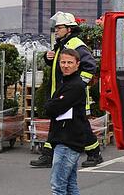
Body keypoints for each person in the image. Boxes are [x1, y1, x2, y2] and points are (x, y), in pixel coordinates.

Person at [28, 48, 88, 195]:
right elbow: (54, 107)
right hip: (70, 139)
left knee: (58, 186)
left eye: (70, 62)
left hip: (67, 141)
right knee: (70, 186)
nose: (66, 65)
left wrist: (51, 105)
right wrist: (53, 105)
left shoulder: (75, 86)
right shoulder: (69, 83)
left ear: (77, 64)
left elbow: (53, 107)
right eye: (63, 62)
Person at [31, 12, 103, 169]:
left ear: (69, 29)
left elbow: (90, 66)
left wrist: (78, 86)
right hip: (62, 93)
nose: (56, 30)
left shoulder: (76, 44)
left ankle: (94, 153)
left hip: (72, 95)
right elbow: (60, 67)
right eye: (56, 28)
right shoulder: (63, 44)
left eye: (59, 27)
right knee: (56, 122)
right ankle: (48, 155)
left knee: (81, 124)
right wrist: (48, 58)